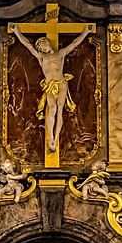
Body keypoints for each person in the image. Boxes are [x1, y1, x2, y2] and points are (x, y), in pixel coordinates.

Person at [12, 26, 90, 160]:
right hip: (50, 86)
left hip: (61, 84)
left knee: (60, 109)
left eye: (43, 45)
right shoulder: (41, 57)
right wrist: (16, 32)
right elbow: (27, 45)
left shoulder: (60, 54)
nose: (43, 48)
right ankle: (50, 139)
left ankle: (56, 138)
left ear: (47, 43)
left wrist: (86, 32)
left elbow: (75, 43)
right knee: (52, 109)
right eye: (41, 48)